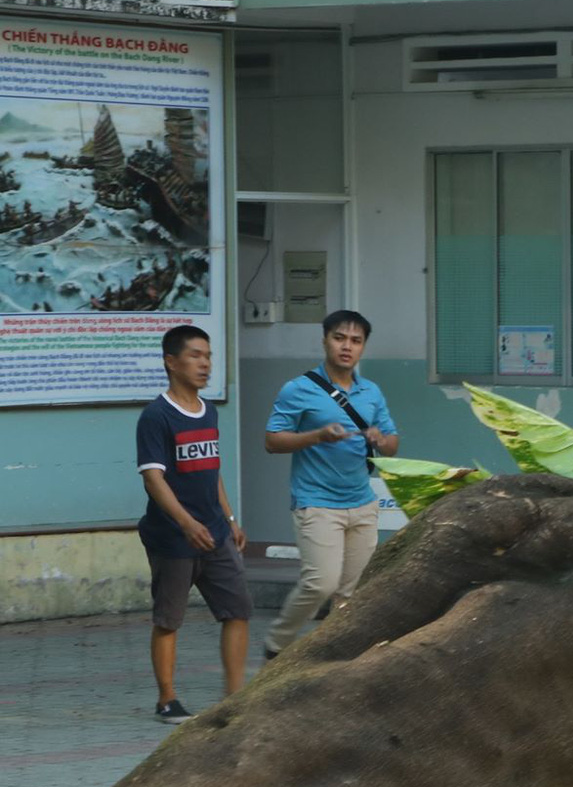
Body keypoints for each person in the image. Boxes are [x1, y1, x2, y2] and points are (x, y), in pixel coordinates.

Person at [262, 309, 399, 657]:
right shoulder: (299, 389)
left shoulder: (371, 391)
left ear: (363, 347)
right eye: (339, 338)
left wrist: (379, 438)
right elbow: (273, 441)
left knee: (351, 595)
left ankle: (331, 657)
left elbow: (393, 442)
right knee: (320, 583)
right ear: (324, 340)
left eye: (355, 341)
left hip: (363, 503)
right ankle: (277, 645)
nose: (346, 347)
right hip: (317, 502)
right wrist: (317, 436)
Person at [136, 325, 250, 723]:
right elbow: (154, 479)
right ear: (171, 362)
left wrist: (230, 518)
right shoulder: (156, 416)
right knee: (169, 620)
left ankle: (234, 697)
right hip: (173, 539)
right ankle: (167, 698)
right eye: (196, 356)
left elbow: (211, 470)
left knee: (237, 610)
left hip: (216, 533)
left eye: (209, 356)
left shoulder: (209, 411)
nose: (205, 364)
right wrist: (185, 523)